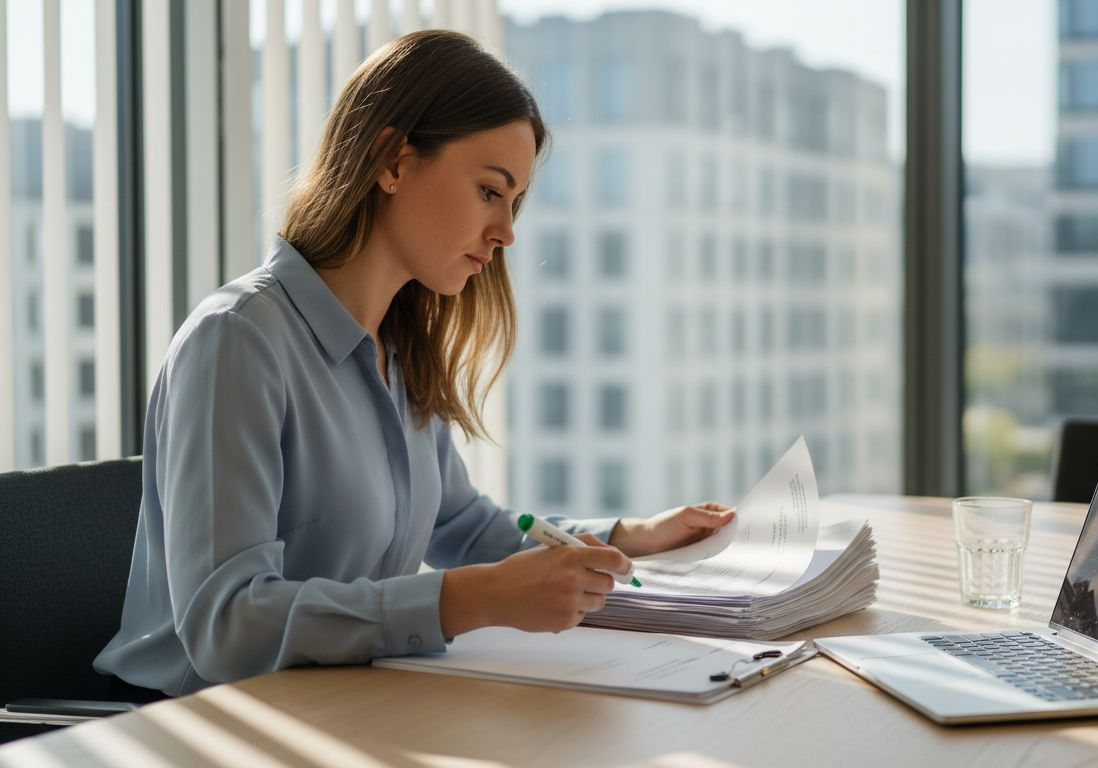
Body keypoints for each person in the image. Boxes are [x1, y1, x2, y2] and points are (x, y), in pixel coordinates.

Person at [94, 30, 734, 698]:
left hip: (345, 706)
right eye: (491, 191)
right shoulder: (237, 342)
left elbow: (463, 528)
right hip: (198, 727)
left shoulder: (397, 351)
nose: (508, 232)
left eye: (515, 203)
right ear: (393, 161)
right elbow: (227, 626)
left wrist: (631, 536)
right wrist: (463, 601)